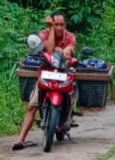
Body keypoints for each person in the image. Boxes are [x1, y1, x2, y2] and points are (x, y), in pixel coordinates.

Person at [13, 11, 77, 150]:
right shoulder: (44, 34)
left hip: (63, 74)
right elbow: (48, 48)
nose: (59, 27)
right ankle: (21, 139)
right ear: (52, 23)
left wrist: (67, 49)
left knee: (71, 95)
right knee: (32, 106)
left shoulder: (71, 36)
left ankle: (67, 117)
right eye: (56, 24)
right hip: (46, 74)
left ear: (65, 24)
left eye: (61, 24)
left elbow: (70, 48)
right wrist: (51, 30)